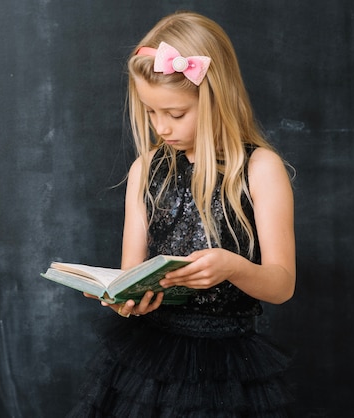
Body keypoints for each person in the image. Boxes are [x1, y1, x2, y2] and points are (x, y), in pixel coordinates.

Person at [67, 11, 295, 417]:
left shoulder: (260, 169)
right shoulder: (146, 169)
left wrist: (232, 267)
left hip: (229, 366)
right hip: (149, 362)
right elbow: (130, 275)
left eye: (175, 114)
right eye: (151, 113)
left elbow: (281, 286)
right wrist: (125, 300)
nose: (161, 128)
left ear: (215, 100)